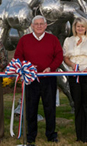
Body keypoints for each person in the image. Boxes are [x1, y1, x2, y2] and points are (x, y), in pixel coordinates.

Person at [14, 15, 63, 145]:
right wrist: (27, 67)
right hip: (31, 79)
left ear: (46, 25)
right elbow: (18, 56)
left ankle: (51, 134)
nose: (39, 26)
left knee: (50, 107)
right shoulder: (24, 40)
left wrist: (50, 68)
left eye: (42, 24)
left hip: (48, 78)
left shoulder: (52, 39)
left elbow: (59, 55)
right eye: (36, 24)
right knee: (31, 108)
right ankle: (30, 136)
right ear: (32, 26)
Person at [63, 17, 87, 143]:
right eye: (78, 26)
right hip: (74, 75)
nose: (80, 28)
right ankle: (79, 135)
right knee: (78, 105)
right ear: (74, 28)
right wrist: (72, 64)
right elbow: (65, 58)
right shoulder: (68, 40)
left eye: (82, 26)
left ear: (86, 28)